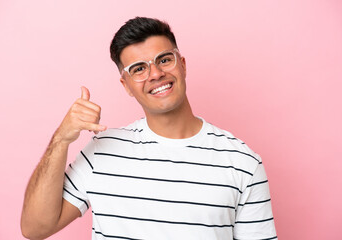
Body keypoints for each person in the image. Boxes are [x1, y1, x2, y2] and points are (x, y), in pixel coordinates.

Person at [21, 17, 277, 240]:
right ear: (126, 85)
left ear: (183, 65)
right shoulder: (101, 152)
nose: (155, 74)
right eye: (139, 69)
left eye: (164, 60)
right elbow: (35, 228)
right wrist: (62, 139)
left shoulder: (243, 162)